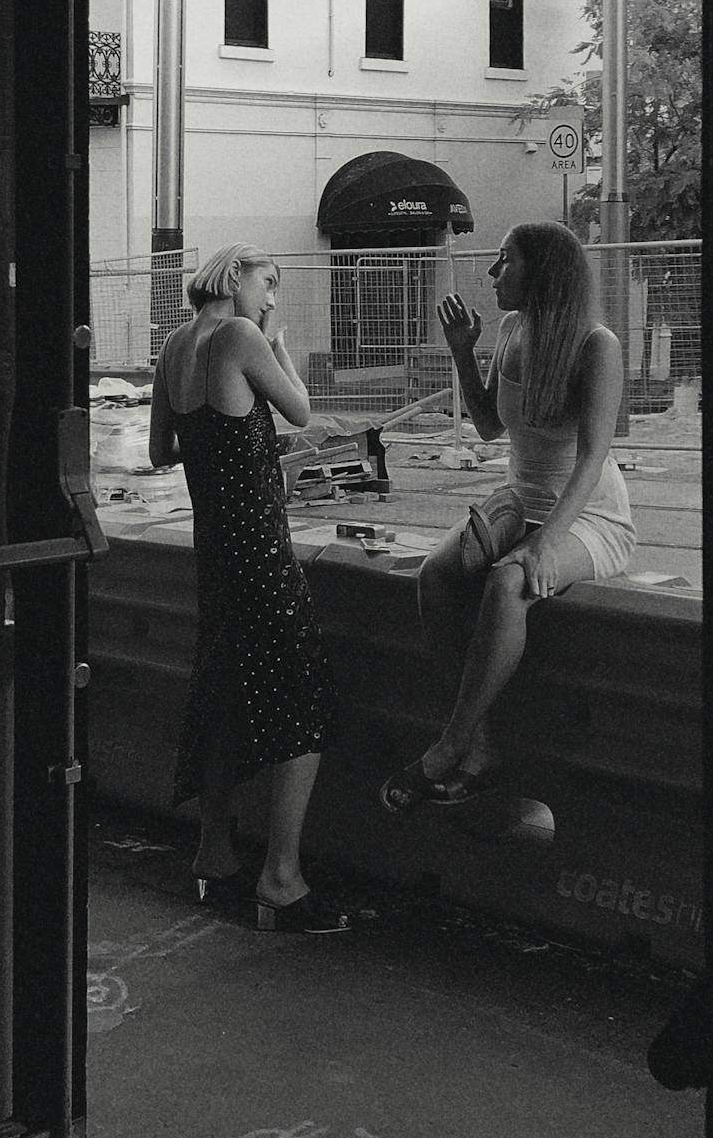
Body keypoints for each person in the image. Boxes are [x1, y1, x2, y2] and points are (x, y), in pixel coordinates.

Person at [380, 220, 636, 813]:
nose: (492, 273)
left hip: (588, 514)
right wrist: (463, 353)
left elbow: (593, 458)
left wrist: (546, 543)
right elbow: (491, 426)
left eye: (505, 261)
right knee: (436, 576)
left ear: (541, 272)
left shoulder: (598, 345)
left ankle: (450, 746)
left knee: (507, 582)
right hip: (520, 499)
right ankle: (481, 740)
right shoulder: (513, 328)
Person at [148, 244, 345, 932]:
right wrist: (281, 353)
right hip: (259, 549)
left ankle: (214, 854)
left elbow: (161, 451)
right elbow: (301, 409)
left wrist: (234, 446)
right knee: (302, 694)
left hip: (214, 554)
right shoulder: (240, 333)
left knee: (226, 689)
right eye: (267, 283)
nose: (270, 300)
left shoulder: (174, 345)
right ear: (233, 275)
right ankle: (282, 879)